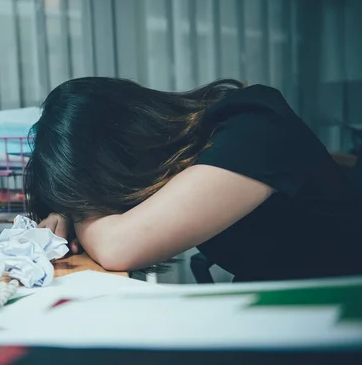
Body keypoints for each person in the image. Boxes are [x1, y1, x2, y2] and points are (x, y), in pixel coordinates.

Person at [24, 78, 362, 282]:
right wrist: (70, 208)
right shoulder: (192, 153)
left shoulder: (255, 127)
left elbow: (117, 247)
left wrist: (79, 207)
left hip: (335, 318)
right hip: (277, 312)